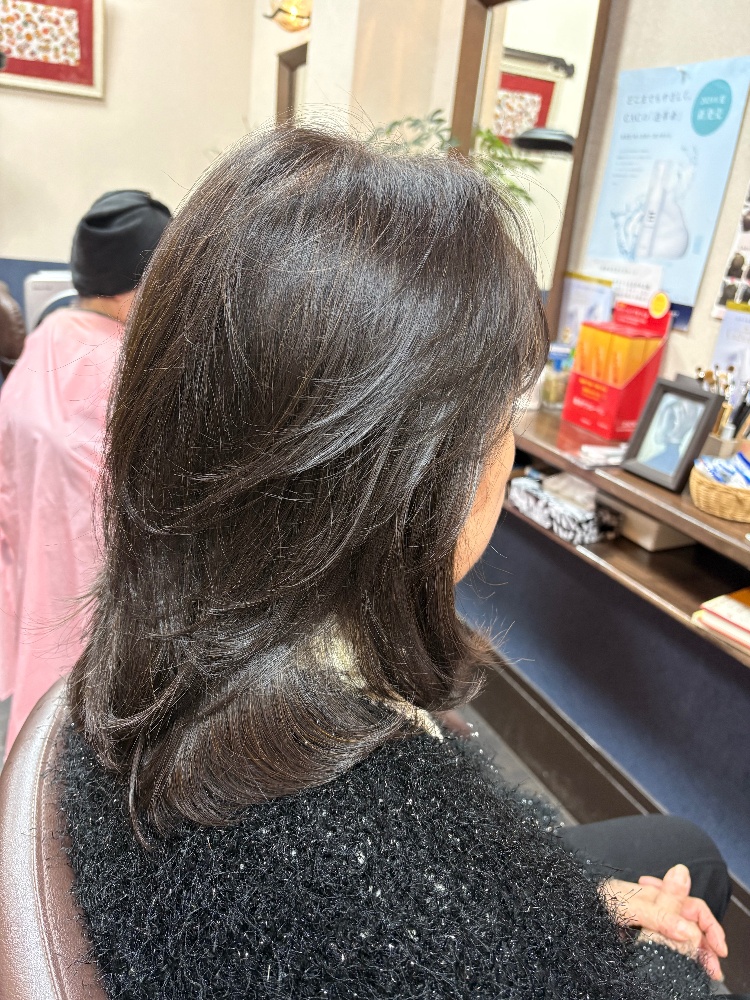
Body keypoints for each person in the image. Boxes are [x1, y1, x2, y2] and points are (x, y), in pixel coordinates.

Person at [60, 129, 739, 998]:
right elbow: (440, 921)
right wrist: (656, 956)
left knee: (676, 846)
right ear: (415, 477)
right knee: (691, 870)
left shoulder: (160, 640)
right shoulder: (366, 871)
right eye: (503, 413)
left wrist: (573, 907)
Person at [0, 190, 171, 753]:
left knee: (40, 743)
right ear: (136, 285)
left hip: (33, 580)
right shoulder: (126, 367)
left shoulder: (44, 339)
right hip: (99, 607)